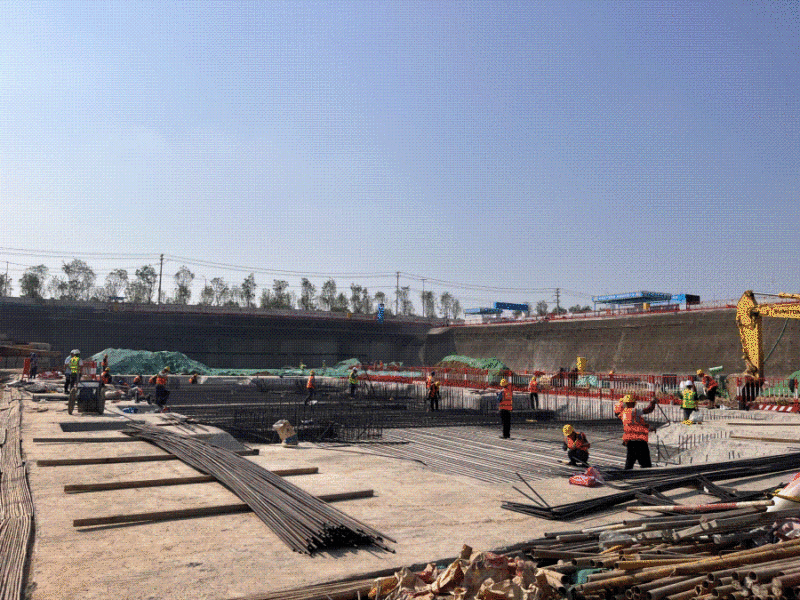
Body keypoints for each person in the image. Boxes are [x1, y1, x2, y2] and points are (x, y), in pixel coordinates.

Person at [614, 394, 657, 470]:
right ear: (632, 403)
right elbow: (648, 410)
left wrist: (649, 428)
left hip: (630, 441)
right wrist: (653, 402)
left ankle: (626, 475)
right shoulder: (633, 411)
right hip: (640, 441)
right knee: (646, 464)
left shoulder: (623, 413)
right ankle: (647, 474)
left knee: (629, 462)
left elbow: (637, 424)